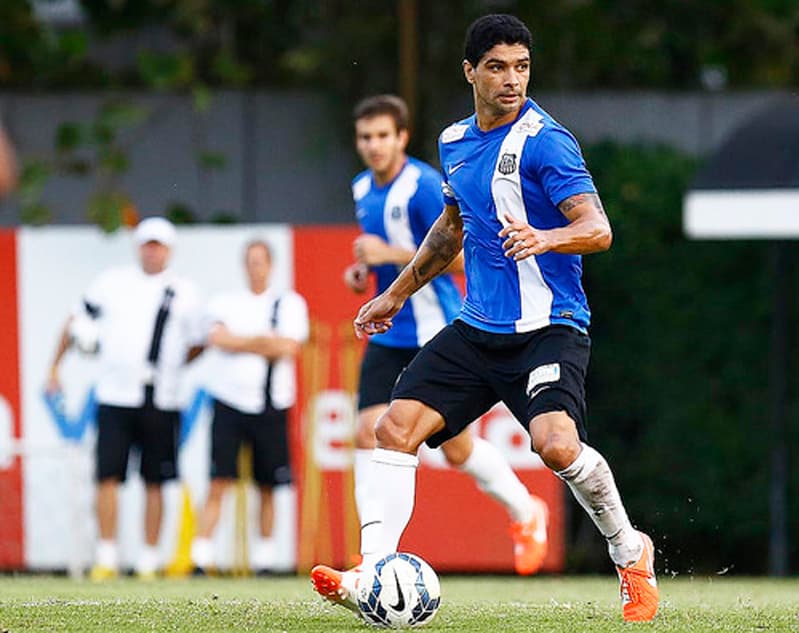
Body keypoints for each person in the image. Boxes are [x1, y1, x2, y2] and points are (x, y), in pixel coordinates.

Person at [311, 14, 658, 622]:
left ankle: (630, 551)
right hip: (477, 330)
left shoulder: (548, 142)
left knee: (555, 447)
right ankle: (372, 571)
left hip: (549, 326)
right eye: (497, 67)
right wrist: (395, 294)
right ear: (470, 71)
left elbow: (598, 229)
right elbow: (450, 230)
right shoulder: (453, 142)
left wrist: (545, 239)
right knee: (393, 429)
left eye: (522, 67)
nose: (512, 80)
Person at [339, 94, 549, 575]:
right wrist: (362, 271)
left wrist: (389, 255)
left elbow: (458, 257)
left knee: (456, 450)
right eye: (365, 137)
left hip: (434, 331)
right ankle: (370, 555)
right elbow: (380, 255)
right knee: (364, 433)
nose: (373, 146)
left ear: (402, 138)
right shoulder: (361, 188)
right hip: (391, 336)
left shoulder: (424, 186)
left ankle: (525, 511)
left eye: (382, 136)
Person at [46, 216, 204, 580]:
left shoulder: (185, 292)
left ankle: (149, 560)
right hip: (114, 395)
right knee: (108, 477)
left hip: (161, 398)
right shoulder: (111, 283)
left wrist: (172, 369)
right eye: (147, 244)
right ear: (138, 247)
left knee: (155, 480)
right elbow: (75, 321)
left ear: (170, 250)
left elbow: (198, 342)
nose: (152, 252)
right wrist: (55, 367)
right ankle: (107, 557)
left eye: (159, 245)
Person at [190, 239, 309, 574]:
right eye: (250, 262)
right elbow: (217, 339)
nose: (255, 268)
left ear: (270, 265)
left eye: (261, 262)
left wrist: (240, 340)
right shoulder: (225, 302)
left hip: (270, 403)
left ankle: (265, 559)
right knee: (219, 480)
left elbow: (287, 347)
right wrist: (261, 340)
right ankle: (201, 555)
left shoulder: (288, 302)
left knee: (268, 484)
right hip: (228, 402)